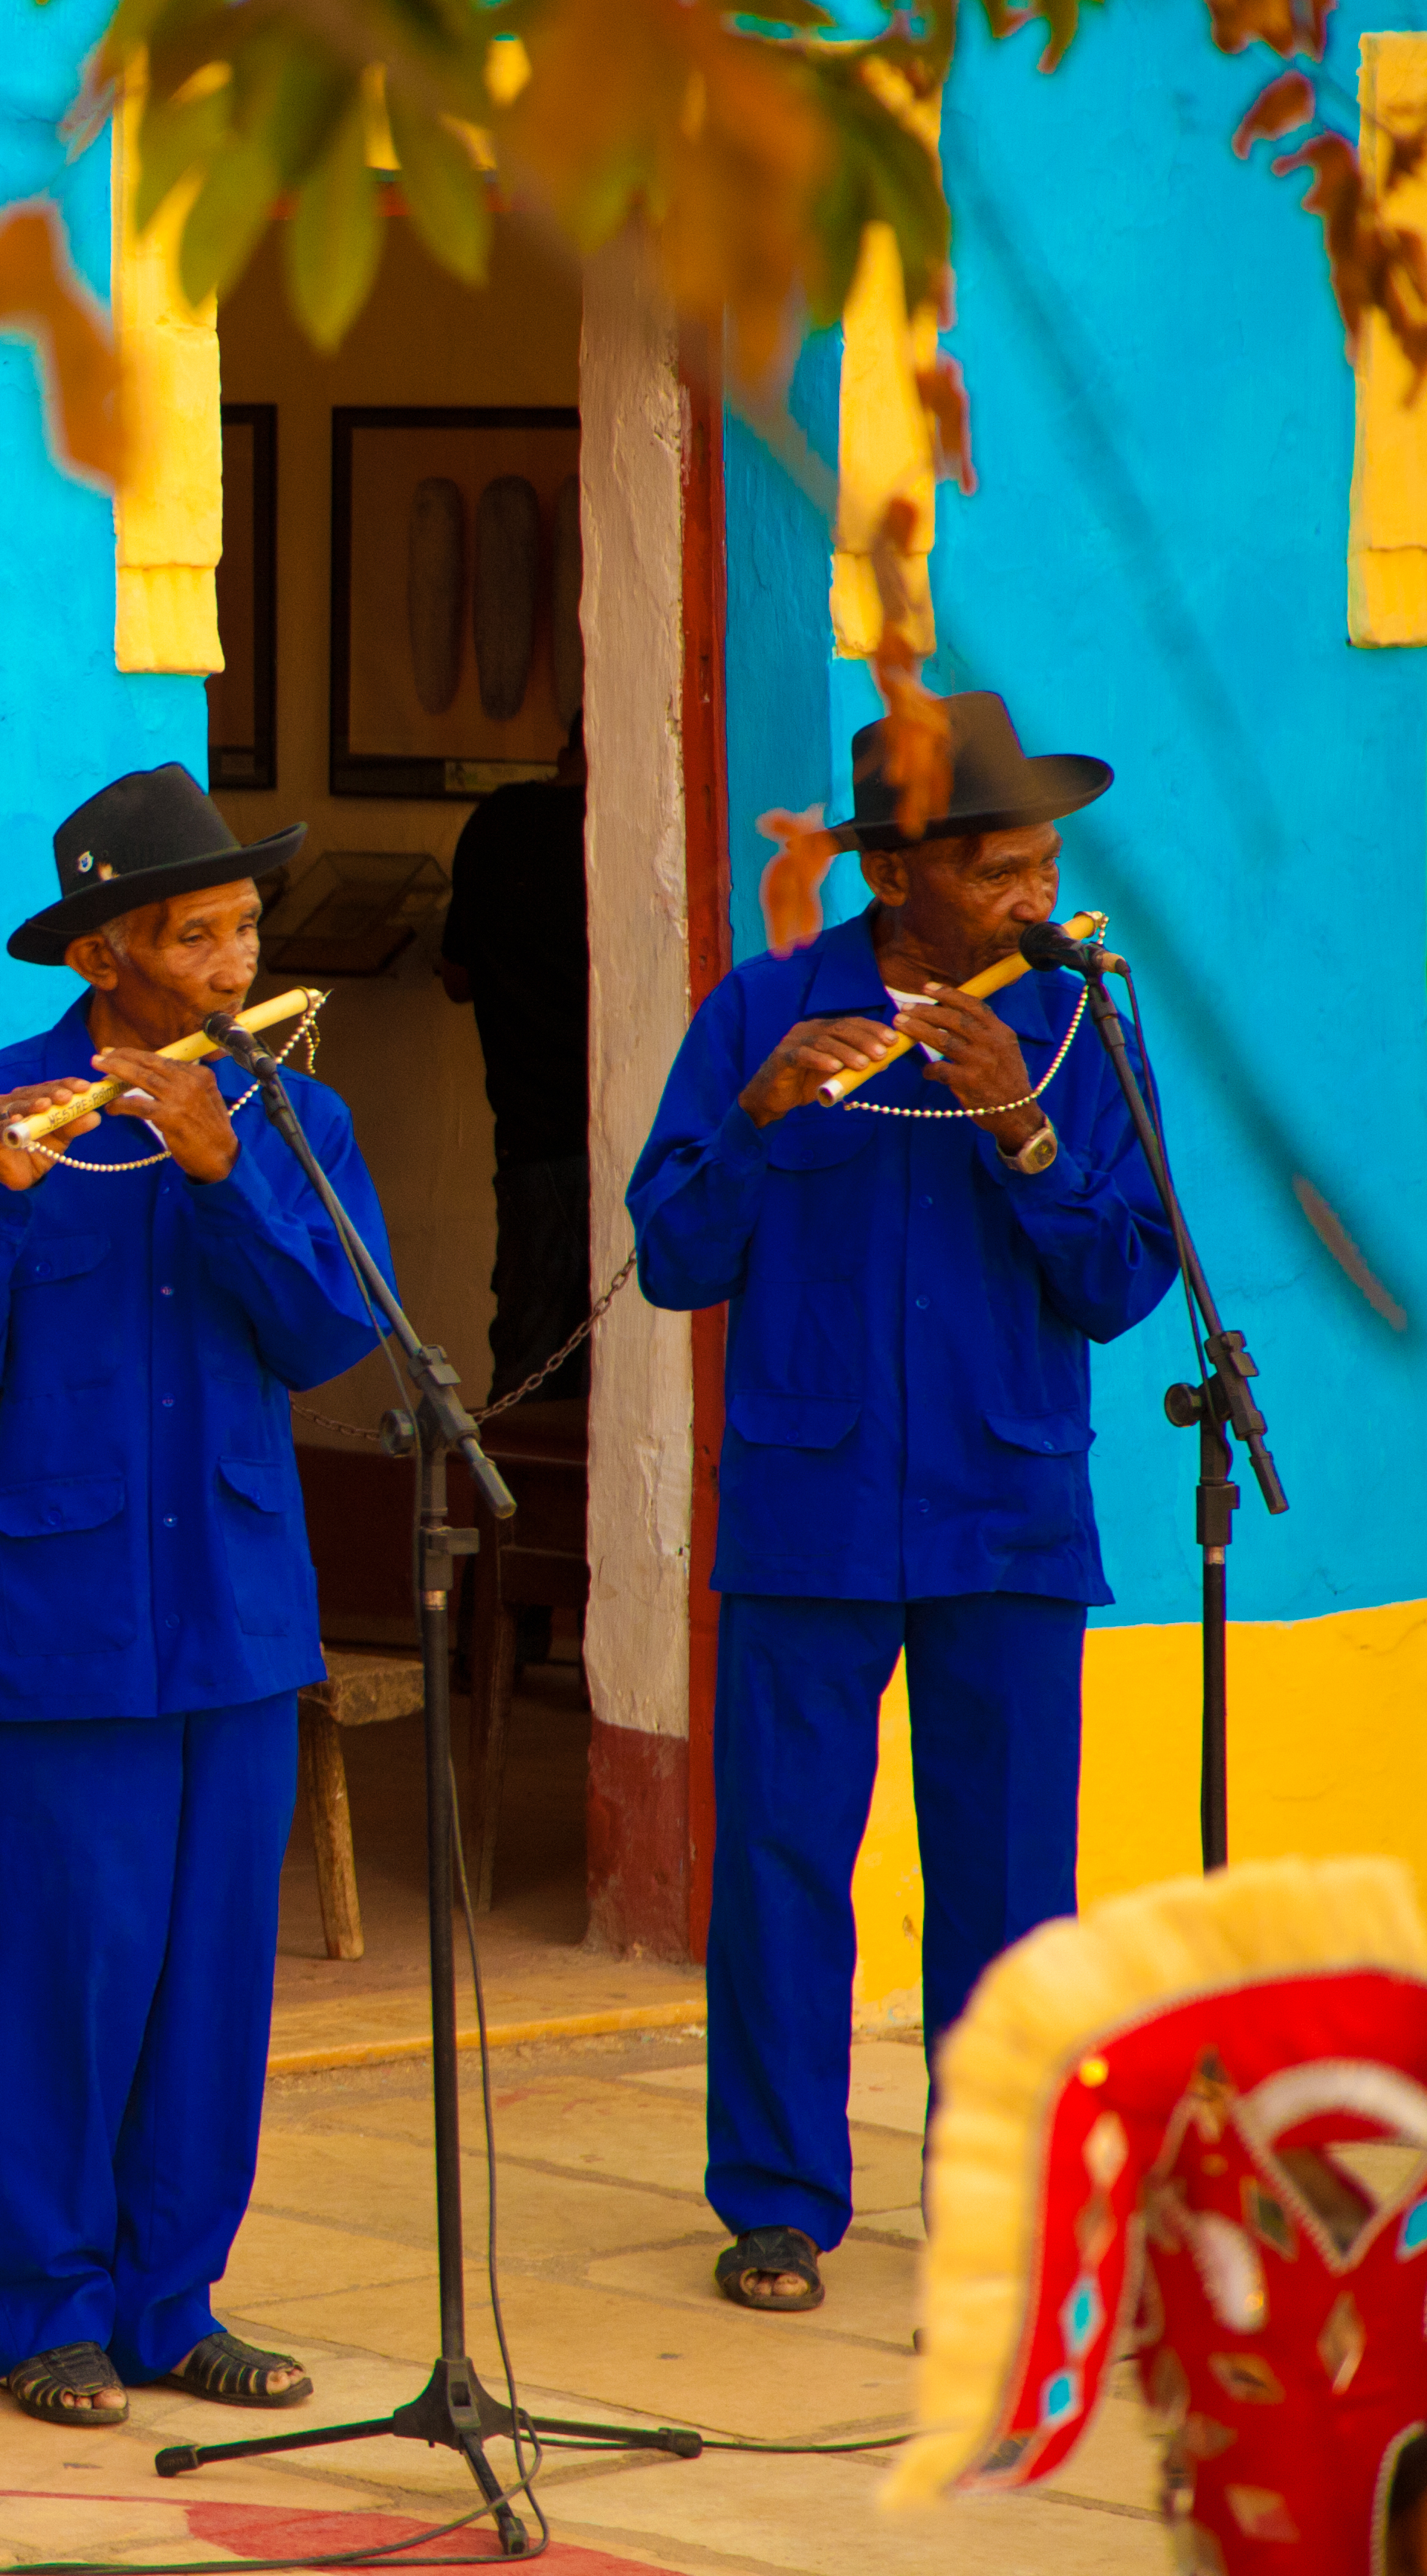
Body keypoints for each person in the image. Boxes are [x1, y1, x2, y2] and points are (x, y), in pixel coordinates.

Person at [0, 762, 389, 2430]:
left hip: (238, 1612)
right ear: (104, 956)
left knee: (215, 1982)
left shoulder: (293, 1115)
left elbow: (330, 1334)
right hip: (59, 1622)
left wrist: (224, 1173)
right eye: (196, 936)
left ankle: (173, 2302)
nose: (234, 964)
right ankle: (41, 2309)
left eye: (244, 930)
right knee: (63, 1980)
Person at [624, 692, 1176, 2317]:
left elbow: (1125, 1279)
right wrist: (752, 1122)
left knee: (1008, 1873)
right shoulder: (763, 1010)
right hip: (809, 1504)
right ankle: (777, 2201)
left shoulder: (1076, 1025)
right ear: (898, 874)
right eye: (999, 872)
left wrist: (1025, 1128)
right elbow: (674, 1257)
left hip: (1008, 1506)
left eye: (1044, 866)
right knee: (782, 1858)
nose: (1035, 896)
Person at [437, 717, 589, 1404]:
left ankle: (514, 1481)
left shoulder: (498, 823)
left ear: (564, 751)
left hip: (530, 1133)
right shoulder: (630, 829)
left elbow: (457, 976)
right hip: (638, 1132)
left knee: (532, 1366)